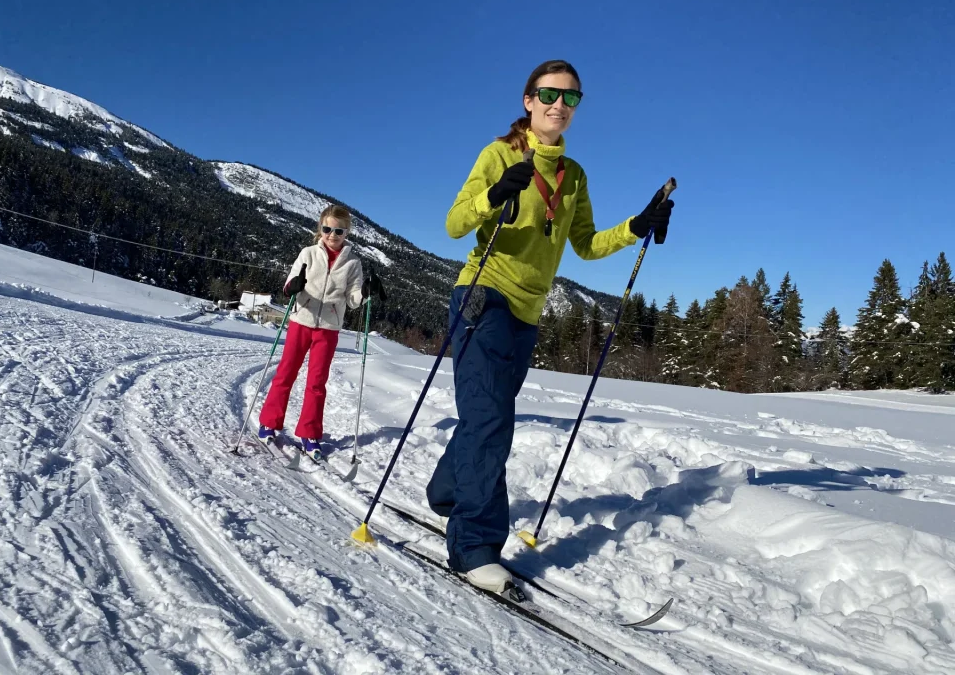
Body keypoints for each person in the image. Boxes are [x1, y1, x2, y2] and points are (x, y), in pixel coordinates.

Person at [425, 59, 674, 591]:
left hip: (527, 313)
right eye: (549, 94)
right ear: (528, 100)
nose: (559, 105)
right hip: (482, 296)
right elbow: (453, 223)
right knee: (491, 422)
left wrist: (638, 225)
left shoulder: (574, 174)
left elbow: (585, 246)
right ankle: (473, 545)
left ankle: (449, 491)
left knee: (484, 416)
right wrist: (493, 195)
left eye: (571, 98)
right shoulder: (499, 154)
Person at [257, 204, 385, 460]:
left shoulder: (353, 263)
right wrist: (293, 286)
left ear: (347, 232)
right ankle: (269, 423)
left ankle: (310, 433)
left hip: (328, 328)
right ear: (320, 228)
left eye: (339, 230)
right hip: (301, 320)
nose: (332, 235)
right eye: (327, 228)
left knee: (317, 383)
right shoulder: (308, 253)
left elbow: (352, 300)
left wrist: (366, 293)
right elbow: (290, 284)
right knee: (286, 372)